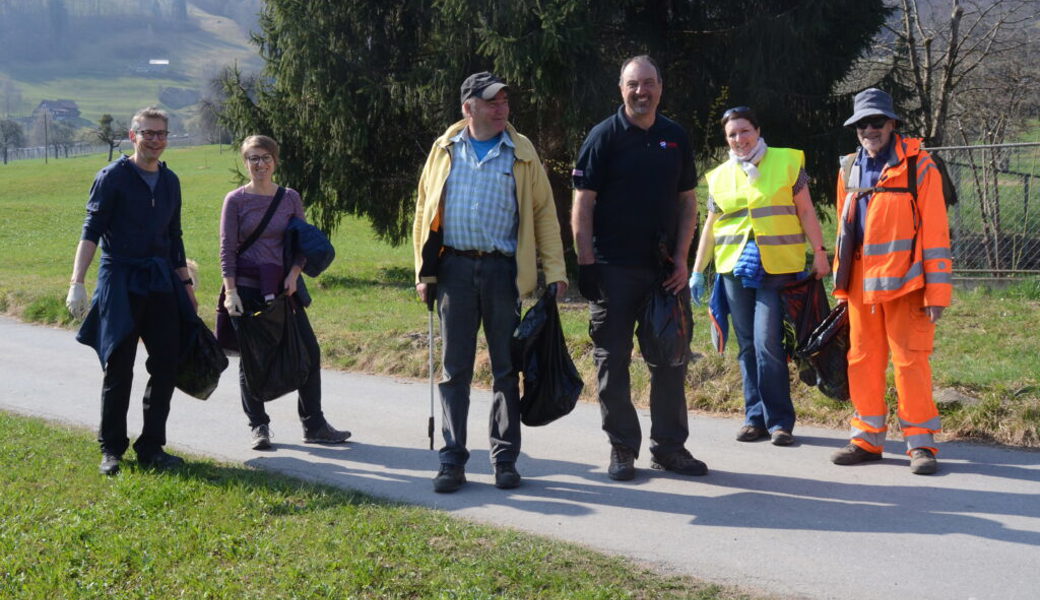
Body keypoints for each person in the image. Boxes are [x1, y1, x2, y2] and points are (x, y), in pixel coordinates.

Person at [413, 72, 567, 493]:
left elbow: (544, 216)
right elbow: (424, 210)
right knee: (454, 371)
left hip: (503, 273)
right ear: (469, 108)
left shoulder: (521, 151)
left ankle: (504, 460)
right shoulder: (444, 149)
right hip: (454, 271)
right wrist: (422, 272)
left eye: (504, 101)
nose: (502, 108)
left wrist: (555, 273)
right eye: (491, 102)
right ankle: (452, 460)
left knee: (505, 369)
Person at [571, 55, 705, 481]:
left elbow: (688, 201)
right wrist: (586, 263)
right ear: (621, 88)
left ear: (660, 87)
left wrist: (683, 258)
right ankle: (622, 448)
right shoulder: (603, 137)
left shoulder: (675, 137)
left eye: (648, 83)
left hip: (665, 271)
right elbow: (583, 203)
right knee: (613, 361)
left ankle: (669, 449)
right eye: (633, 84)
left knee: (670, 359)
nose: (641, 92)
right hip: (612, 269)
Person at [66, 107, 198, 475]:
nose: (155, 139)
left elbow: (174, 237)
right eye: (148, 133)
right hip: (120, 279)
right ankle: (111, 449)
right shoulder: (112, 177)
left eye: (161, 134)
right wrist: (77, 282)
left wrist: (185, 283)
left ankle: (152, 447)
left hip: (160, 281)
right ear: (132, 135)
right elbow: (91, 230)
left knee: (167, 364)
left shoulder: (171, 181)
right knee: (119, 367)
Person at [689, 106, 830, 447]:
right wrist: (697, 271)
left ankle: (780, 421)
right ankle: (755, 419)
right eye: (732, 134)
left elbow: (806, 210)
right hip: (735, 270)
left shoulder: (786, 163)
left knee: (767, 342)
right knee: (747, 345)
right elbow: (710, 226)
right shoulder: (719, 176)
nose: (739, 139)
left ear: (758, 129)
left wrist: (821, 252)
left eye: (744, 131)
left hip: (777, 266)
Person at [830, 88, 952, 475]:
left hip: (906, 282)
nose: (870, 130)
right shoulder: (848, 168)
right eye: (862, 124)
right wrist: (841, 282)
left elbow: (935, 234)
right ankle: (866, 438)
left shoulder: (920, 166)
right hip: (861, 282)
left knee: (909, 361)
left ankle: (920, 445)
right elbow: (843, 230)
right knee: (862, 359)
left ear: (892, 124)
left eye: (877, 122)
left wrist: (937, 291)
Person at [219, 135, 350, 450]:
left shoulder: (289, 197)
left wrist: (293, 274)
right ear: (245, 162)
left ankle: (314, 424)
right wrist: (230, 291)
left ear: (275, 161)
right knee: (252, 359)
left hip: (283, 289)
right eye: (253, 158)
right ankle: (259, 427)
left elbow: (300, 241)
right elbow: (227, 249)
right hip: (247, 290)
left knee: (309, 351)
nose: (259, 164)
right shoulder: (235, 200)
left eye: (265, 157)